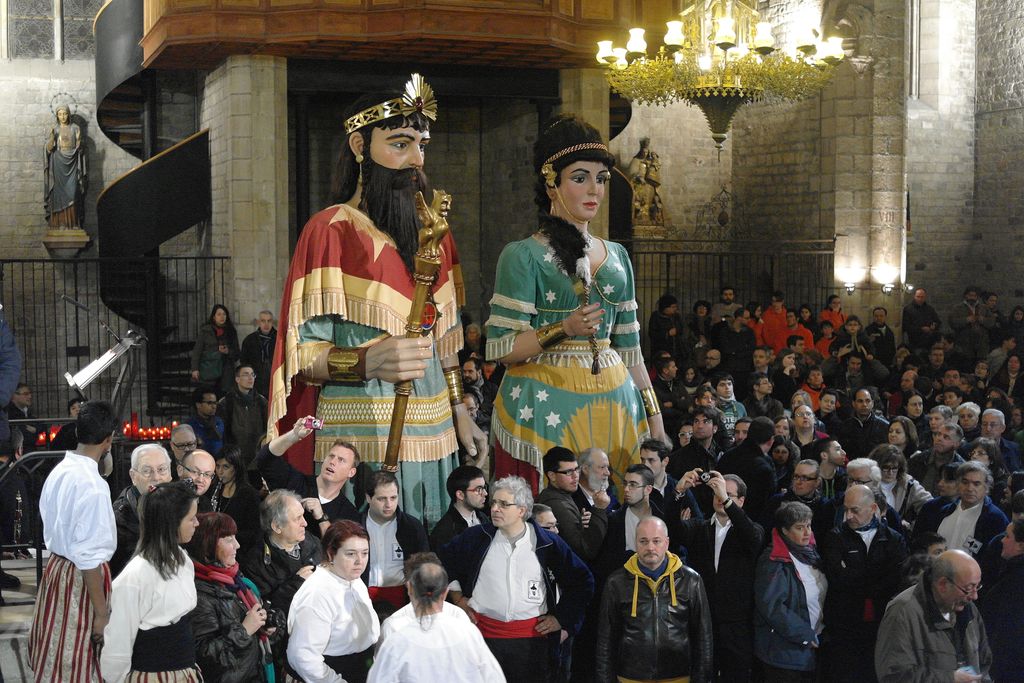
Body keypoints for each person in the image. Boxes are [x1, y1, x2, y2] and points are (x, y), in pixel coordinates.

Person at [267, 75, 485, 525]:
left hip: (436, 430)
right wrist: (367, 361)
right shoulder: (331, 230)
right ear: (359, 145)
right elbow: (301, 356)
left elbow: (446, 342)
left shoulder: (435, 236)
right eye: (401, 143)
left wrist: (462, 408)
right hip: (359, 428)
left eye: (421, 145)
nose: (416, 160)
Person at [485, 114, 667, 491]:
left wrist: (655, 417)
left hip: (616, 405)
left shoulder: (618, 255)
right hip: (542, 402)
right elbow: (501, 348)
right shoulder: (522, 255)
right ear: (551, 182)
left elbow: (631, 352)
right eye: (580, 177)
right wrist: (563, 329)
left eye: (600, 179)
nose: (595, 191)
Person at [439, 476, 593, 681]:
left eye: (504, 504)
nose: (494, 508)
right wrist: (458, 598)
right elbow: (442, 564)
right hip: (483, 638)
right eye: (494, 502)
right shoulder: (477, 537)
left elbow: (582, 581)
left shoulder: (548, 543)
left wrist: (561, 619)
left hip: (531, 644)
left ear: (521, 510)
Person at [27, 400, 118, 683]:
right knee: (78, 664)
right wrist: (101, 614)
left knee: (55, 660)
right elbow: (89, 559)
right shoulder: (94, 487)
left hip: (56, 571)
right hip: (80, 581)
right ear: (108, 439)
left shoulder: (60, 470)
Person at [101, 480, 201, 682]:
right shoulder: (135, 576)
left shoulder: (183, 560)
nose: (197, 523)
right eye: (191, 518)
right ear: (172, 523)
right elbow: (118, 642)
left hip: (184, 670)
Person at [596, 516, 713, 683]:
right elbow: (605, 640)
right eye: (643, 541)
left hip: (679, 676)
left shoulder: (691, 580)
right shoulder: (616, 582)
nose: (650, 547)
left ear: (666, 543)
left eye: (656, 541)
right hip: (630, 677)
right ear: (635, 543)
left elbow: (704, 637)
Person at [674, 473, 764, 682]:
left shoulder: (752, 530)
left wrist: (726, 499)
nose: (720, 498)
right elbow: (672, 527)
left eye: (728, 494)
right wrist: (679, 492)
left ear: (740, 501)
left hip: (737, 626)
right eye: (717, 492)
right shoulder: (700, 528)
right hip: (703, 621)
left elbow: (751, 537)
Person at [368, 552, 505, 683]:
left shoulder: (394, 627)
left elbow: (381, 677)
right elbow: (492, 677)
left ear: (409, 587)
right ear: (445, 591)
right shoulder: (466, 629)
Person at [820, 485, 909, 683]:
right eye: (846, 509)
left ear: (873, 508)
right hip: (845, 622)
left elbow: (897, 578)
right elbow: (838, 577)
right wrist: (874, 578)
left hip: (881, 621)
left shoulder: (894, 539)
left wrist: (856, 576)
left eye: (855, 510)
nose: (849, 515)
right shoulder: (835, 537)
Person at [186, 512, 277, 683]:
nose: (237, 545)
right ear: (208, 544)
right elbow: (204, 658)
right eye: (228, 539)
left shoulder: (236, 579)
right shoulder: (198, 594)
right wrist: (244, 631)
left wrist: (266, 628)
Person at [875, 550, 991, 683]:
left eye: (977, 586)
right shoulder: (902, 612)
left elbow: (984, 660)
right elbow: (893, 675)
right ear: (943, 584)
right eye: (968, 588)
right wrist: (950, 679)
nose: (974, 596)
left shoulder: (967, 608)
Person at [287, 520, 379, 683]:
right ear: (331, 553)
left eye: (364, 553)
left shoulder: (354, 579)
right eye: (351, 554)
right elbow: (302, 655)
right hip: (336, 673)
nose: (360, 561)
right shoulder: (317, 592)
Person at [754, 502, 828, 683]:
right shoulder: (773, 561)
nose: (806, 532)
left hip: (809, 648)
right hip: (783, 654)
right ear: (785, 531)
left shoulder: (810, 553)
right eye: (799, 527)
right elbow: (773, 607)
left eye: (808, 526)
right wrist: (804, 634)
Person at [256, 417, 361, 537]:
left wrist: (322, 518)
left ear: (351, 472)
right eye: (331, 456)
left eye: (341, 460)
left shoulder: (348, 514)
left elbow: (339, 550)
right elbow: (265, 459)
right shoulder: (296, 482)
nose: (333, 462)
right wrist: (294, 435)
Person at [239, 489, 323, 621]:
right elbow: (267, 613)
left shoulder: (312, 541)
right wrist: (296, 583)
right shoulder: (255, 564)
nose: (305, 523)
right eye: (297, 519)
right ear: (277, 526)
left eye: (303, 515)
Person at [360, 471, 430, 616]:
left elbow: (424, 566)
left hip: (401, 595)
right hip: (362, 593)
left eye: (393, 498)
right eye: (382, 499)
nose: (389, 505)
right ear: (368, 497)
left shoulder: (412, 527)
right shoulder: (354, 526)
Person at [915, 462, 1009, 559]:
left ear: (986, 488)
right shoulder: (943, 512)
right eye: (965, 482)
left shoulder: (995, 519)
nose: (969, 488)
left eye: (976, 484)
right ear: (958, 484)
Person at [535, 447, 608, 563]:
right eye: (568, 472)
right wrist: (599, 509)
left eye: (576, 469)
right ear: (552, 476)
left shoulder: (562, 495)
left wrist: (583, 524)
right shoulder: (556, 503)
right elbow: (585, 550)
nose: (575, 476)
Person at [111, 443, 174, 577]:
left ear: (170, 474)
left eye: (162, 469)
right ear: (133, 476)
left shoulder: (180, 505)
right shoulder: (120, 519)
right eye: (147, 471)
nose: (156, 477)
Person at [977, 519, 1024, 683]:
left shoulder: (1017, 581)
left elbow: (1009, 631)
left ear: (1020, 545)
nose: (1002, 540)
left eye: (1007, 536)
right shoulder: (1012, 572)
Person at [209, 445, 263, 552]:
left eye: (226, 467)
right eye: (217, 466)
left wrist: (225, 537)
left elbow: (254, 532)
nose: (220, 472)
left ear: (236, 468)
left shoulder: (249, 495)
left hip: (240, 550)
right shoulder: (212, 489)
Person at [216, 364, 268, 470]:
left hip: (257, 456)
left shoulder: (261, 401)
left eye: (252, 375)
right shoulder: (226, 402)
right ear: (237, 379)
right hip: (235, 457)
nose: (250, 378)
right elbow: (222, 432)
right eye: (245, 375)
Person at [44, 103, 86, 229]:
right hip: (58, 163)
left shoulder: (75, 128)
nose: (63, 116)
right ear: (57, 116)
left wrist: (79, 141)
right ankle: (59, 223)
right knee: (58, 194)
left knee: (73, 192)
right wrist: (51, 138)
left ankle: (72, 223)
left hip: (72, 163)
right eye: (60, 114)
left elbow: (81, 151)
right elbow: (49, 149)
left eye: (65, 113)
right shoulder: (55, 129)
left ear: (69, 114)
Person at [429, 465, 489, 551]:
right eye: (478, 489)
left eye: (484, 487)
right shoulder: (445, 532)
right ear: (460, 495)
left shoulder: (483, 518)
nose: (485, 493)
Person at [873, 444, 931, 529]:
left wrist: (912, 526)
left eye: (894, 468)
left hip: (896, 535)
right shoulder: (868, 481)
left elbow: (930, 506)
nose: (890, 472)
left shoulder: (908, 484)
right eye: (886, 467)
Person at [191, 303, 241, 395]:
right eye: (219, 314)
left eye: (224, 314)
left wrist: (228, 351)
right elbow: (197, 351)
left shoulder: (231, 332)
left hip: (226, 371)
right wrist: (195, 368)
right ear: (214, 317)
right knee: (209, 396)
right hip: (209, 369)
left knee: (223, 396)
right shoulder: (205, 331)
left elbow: (237, 354)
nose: (222, 317)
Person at [909, 421, 967, 496]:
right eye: (938, 434)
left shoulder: (961, 468)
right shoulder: (919, 459)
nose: (939, 439)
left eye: (946, 437)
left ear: (957, 444)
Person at [240, 309, 276, 399]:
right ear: (258, 322)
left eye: (269, 321)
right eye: (263, 321)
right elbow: (244, 362)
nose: (266, 324)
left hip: (274, 380)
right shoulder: (249, 340)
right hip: (256, 381)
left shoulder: (279, 339)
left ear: (273, 322)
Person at [187, 388, 225, 457]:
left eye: (215, 403)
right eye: (209, 403)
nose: (214, 406)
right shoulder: (190, 425)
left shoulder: (218, 421)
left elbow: (218, 437)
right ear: (198, 405)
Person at [901, 288, 941, 352]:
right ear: (914, 296)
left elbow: (937, 322)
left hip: (929, 342)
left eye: (922, 297)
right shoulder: (908, 309)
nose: (920, 299)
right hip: (915, 342)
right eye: (918, 297)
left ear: (925, 297)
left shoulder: (929, 309)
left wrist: (934, 326)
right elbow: (906, 326)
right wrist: (921, 329)